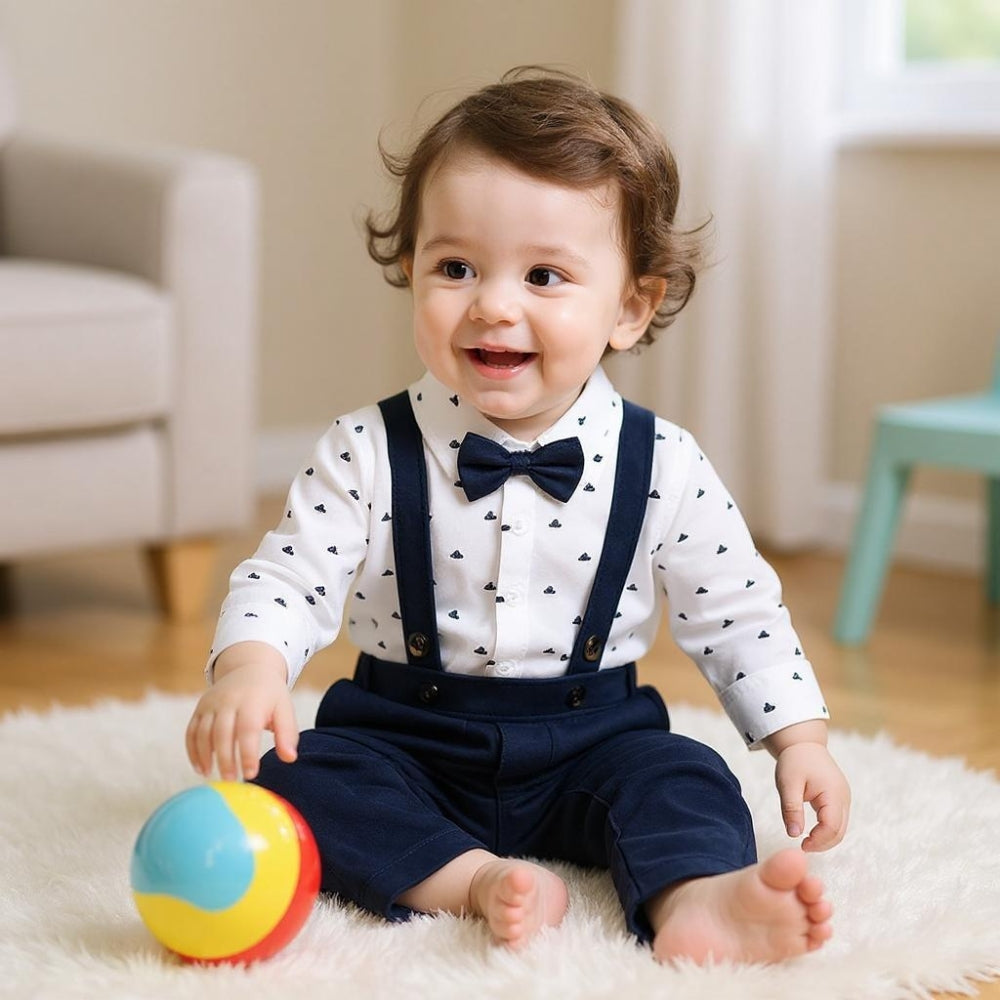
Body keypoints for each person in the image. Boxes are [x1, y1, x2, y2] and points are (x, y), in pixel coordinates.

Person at [186, 67, 850, 965]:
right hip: (404, 738)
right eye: (455, 267)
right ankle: (471, 880)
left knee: (686, 776)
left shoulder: (666, 464)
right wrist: (252, 669)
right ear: (410, 268)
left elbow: (738, 613)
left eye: (544, 275)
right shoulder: (366, 448)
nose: (494, 303)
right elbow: (287, 576)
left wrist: (796, 737)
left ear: (630, 307)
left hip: (595, 741)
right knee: (292, 777)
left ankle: (696, 900)